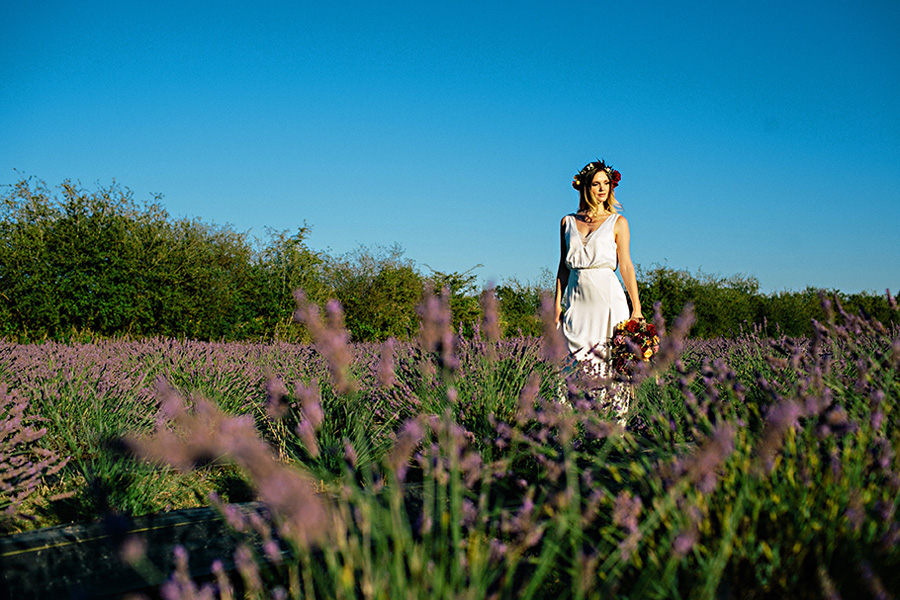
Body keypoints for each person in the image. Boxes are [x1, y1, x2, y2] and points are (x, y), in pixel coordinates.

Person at [554, 159, 643, 376]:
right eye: (596, 183)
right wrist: (556, 304)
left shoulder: (618, 222)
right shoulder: (567, 222)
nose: (602, 188)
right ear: (585, 187)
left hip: (609, 300)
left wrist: (637, 308)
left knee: (609, 362)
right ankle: (572, 410)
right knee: (572, 362)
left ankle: (612, 410)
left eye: (606, 183)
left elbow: (627, 266)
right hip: (577, 300)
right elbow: (563, 267)